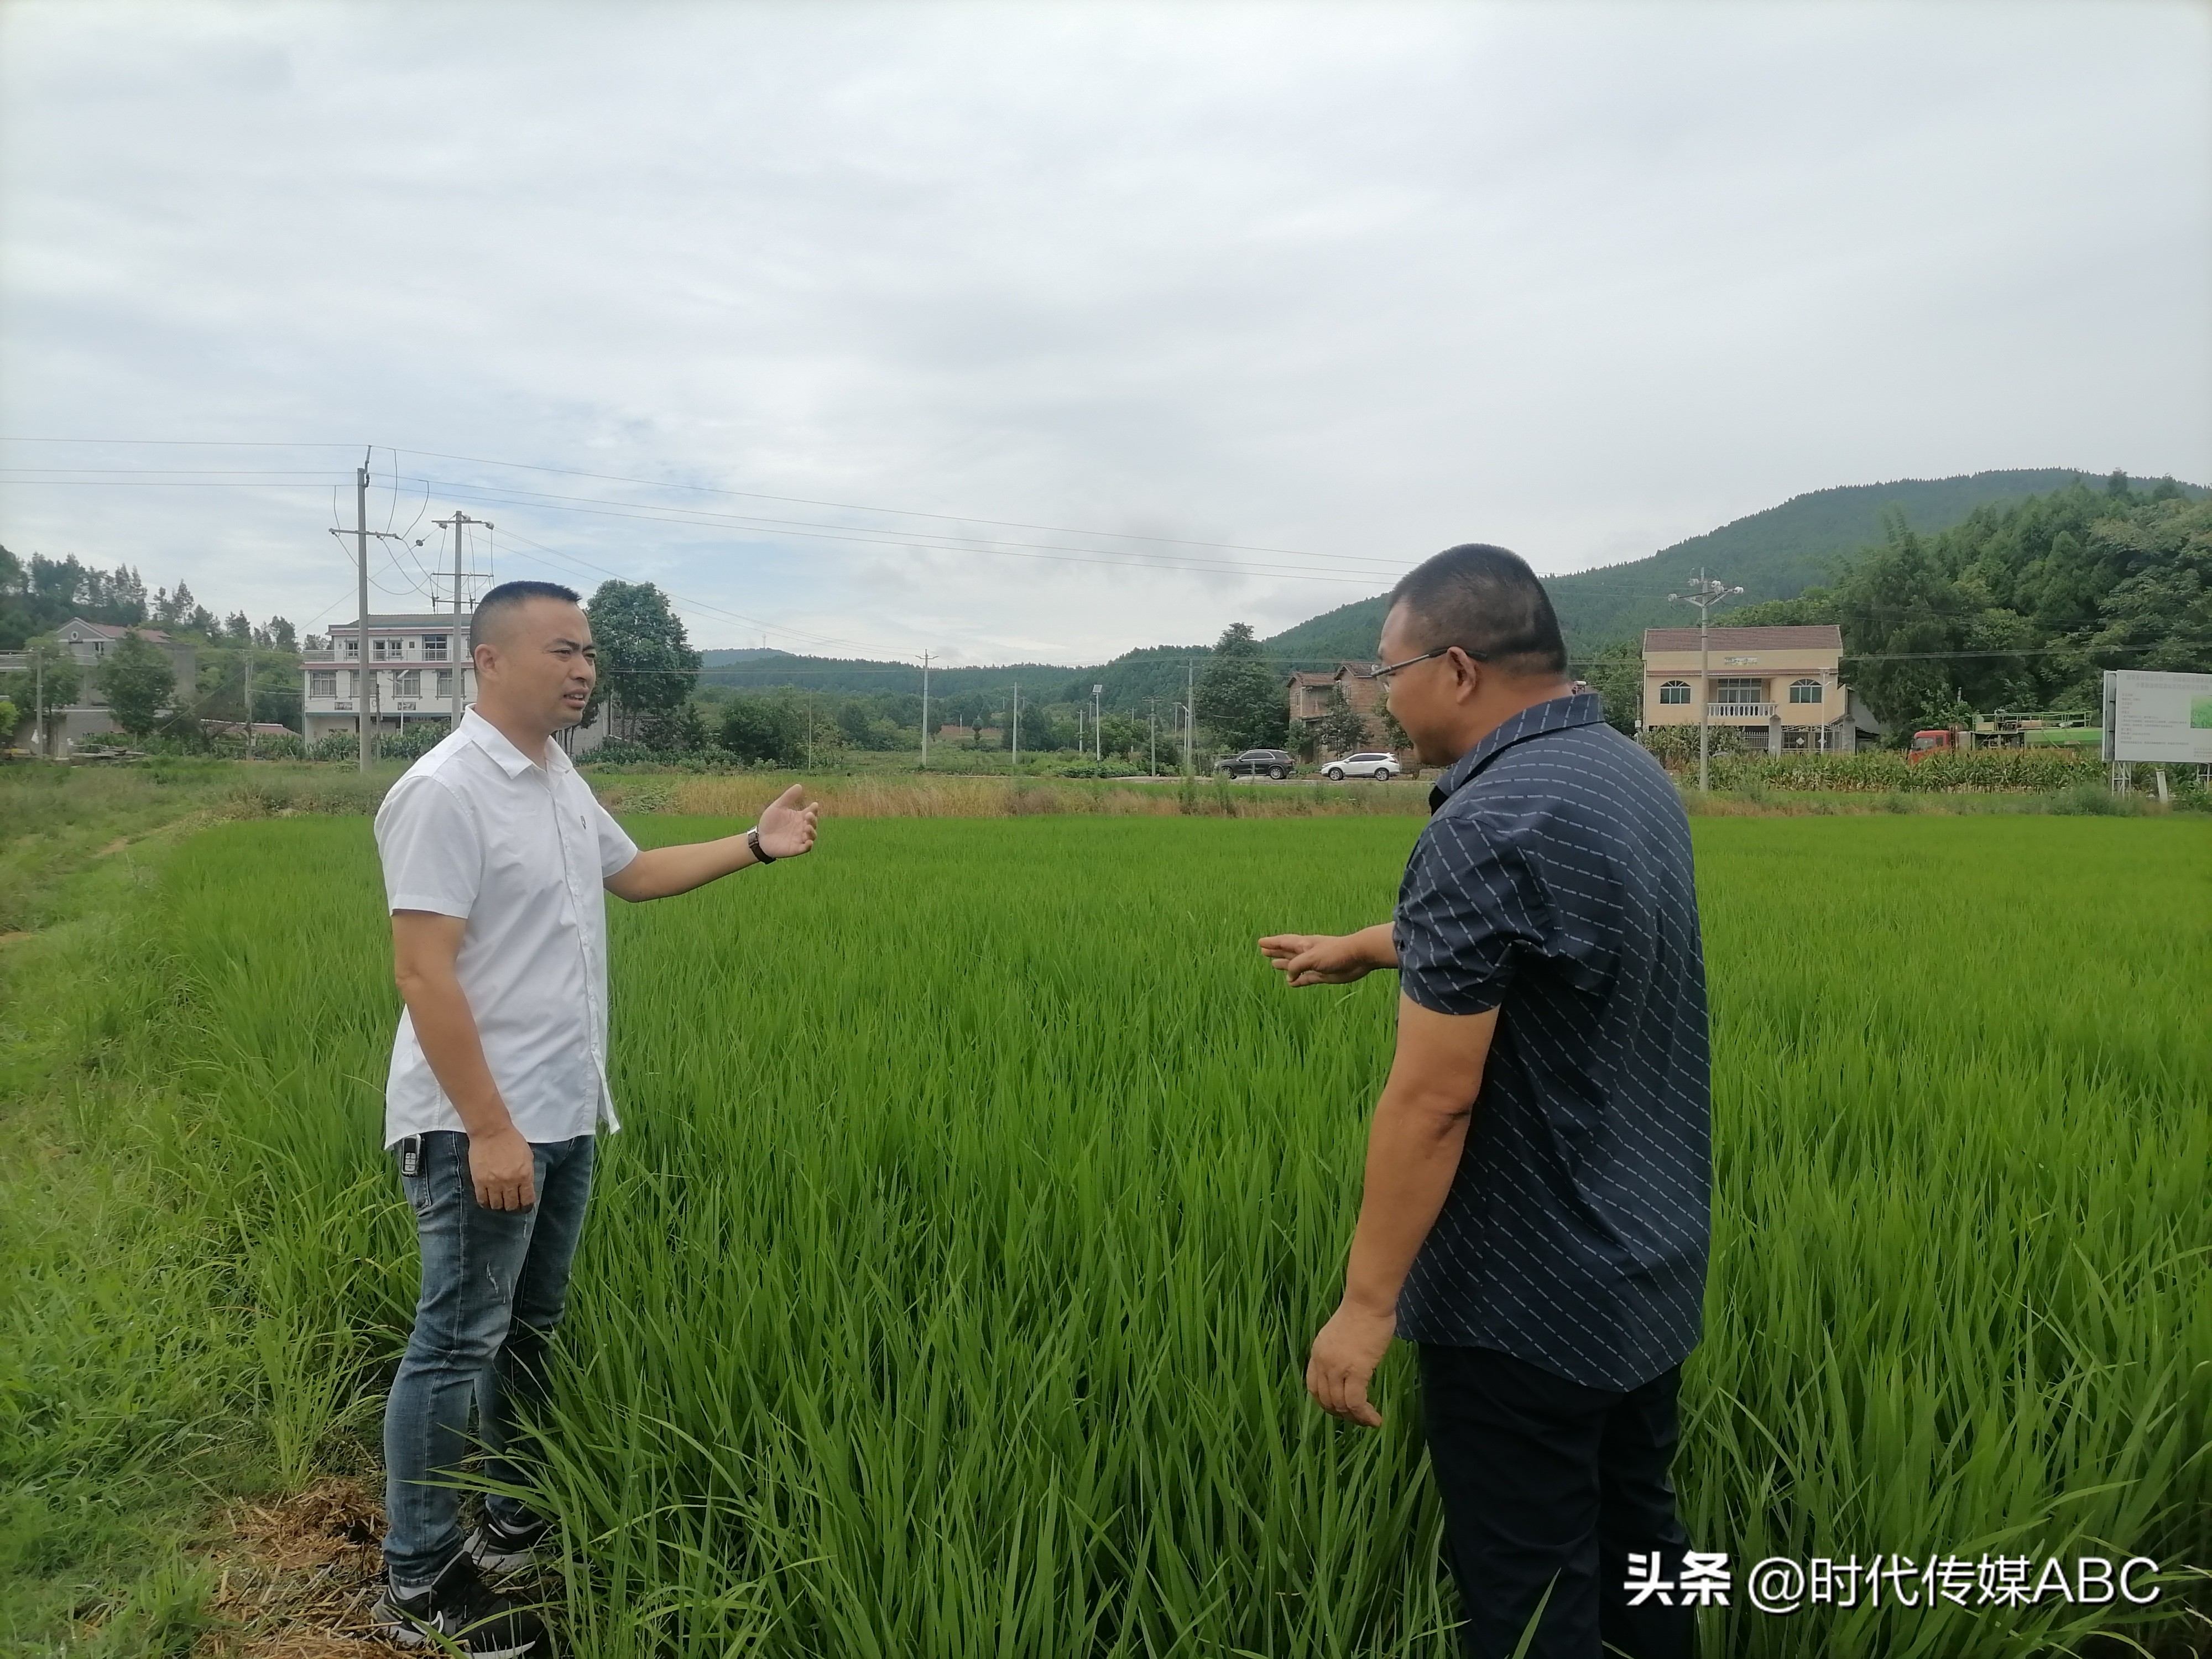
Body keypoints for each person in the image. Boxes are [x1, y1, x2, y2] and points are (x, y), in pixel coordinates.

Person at [1260, 544, 1709, 1659]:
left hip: (1526, 1297)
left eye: (1388, 668)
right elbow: (1547, 936)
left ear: (1454, 668)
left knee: (1530, 1598)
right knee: (1643, 1555)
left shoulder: (1484, 820)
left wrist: (1366, 1308)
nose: (1381, 693)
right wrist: (1368, 946)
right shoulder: (1621, 772)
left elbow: (1431, 1103)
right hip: (1646, 1259)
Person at [369, 580, 820, 1656]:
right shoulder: (444, 791)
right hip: (480, 1123)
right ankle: (419, 1581)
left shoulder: (555, 778)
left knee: (529, 1328)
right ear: (488, 662)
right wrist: (487, 1127)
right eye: (564, 650)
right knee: (455, 1340)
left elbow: (633, 873)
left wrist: (752, 845)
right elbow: (423, 974)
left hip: (566, 1110)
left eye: (590, 655)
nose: (584, 669)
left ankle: (511, 1519)